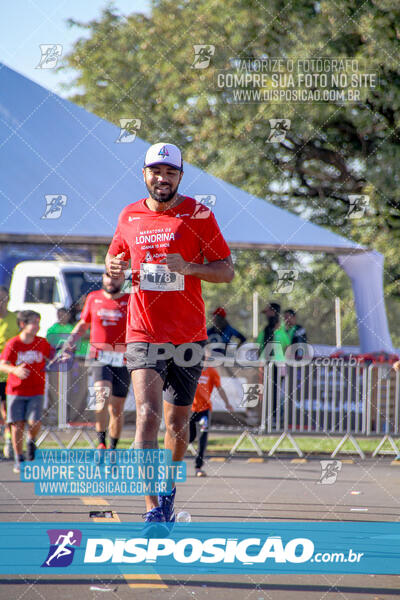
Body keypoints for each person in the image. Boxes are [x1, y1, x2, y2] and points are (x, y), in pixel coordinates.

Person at [106, 142, 233, 532]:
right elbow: (113, 272)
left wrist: (190, 267)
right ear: (144, 173)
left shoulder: (198, 214)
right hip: (143, 333)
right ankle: (152, 508)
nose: (163, 179)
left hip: (189, 337)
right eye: (156, 172)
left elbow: (226, 270)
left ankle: (167, 489)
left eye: (171, 173)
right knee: (146, 414)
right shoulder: (128, 216)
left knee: (179, 424)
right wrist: (111, 269)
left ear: (181, 176)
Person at [60, 273, 130, 450]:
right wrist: (70, 343)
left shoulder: (130, 299)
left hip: (124, 359)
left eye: (116, 278)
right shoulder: (93, 297)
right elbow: (83, 324)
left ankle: (113, 448)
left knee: (116, 409)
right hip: (99, 357)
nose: (111, 281)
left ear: (122, 280)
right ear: (103, 278)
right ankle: (101, 443)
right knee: (100, 400)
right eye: (108, 277)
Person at [0, 310, 53, 473]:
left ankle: (31, 440)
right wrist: (14, 370)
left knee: (35, 421)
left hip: (36, 390)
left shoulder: (42, 343)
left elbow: (53, 356)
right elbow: (2, 364)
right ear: (23, 324)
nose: (37, 326)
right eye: (34, 322)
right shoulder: (13, 343)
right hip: (15, 391)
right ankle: (19, 458)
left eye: (38, 322)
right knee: (17, 425)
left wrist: (63, 357)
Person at [189, 358, 232, 477]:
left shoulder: (212, 372)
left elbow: (219, 388)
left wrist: (227, 403)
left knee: (203, 438)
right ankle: (173, 463)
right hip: (190, 409)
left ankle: (198, 467)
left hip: (205, 410)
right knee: (189, 437)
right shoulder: (192, 370)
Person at [0, 286, 19, 459]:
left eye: (4, 299)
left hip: (8, 374)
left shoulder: (14, 319)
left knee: (8, 411)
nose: (1, 303)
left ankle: (9, 441)